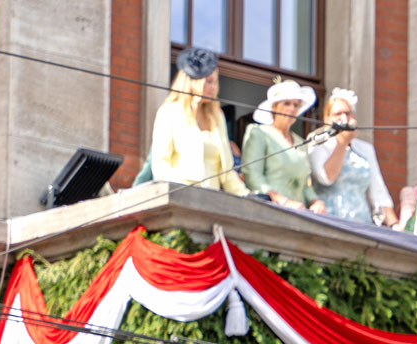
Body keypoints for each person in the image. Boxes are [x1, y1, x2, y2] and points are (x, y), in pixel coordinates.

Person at [147, 48, 248, 196]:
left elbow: (226, 173)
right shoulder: (169, 112)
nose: (213, 87)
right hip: (180, 198)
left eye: (215, 81)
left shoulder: (217, 117)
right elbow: (160, 164)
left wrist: (247, 195)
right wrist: (180, 190)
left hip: (212, 201)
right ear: (193, 82)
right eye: (209, 82)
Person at [309, 88, 395, 225]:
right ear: (327, 119)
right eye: (338, 114)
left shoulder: (366, 149)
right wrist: (342, 142)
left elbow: (378, 192)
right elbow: (326, 178)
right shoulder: (319, 144)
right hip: (329, 221)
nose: (344, 119)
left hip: (361, 223)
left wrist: (394, 224)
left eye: (348, 114)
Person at [241, 79, 325, 212]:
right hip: (268, 210)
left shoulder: (301, 142)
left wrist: (316, 201)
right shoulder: (259, 133)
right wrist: (281, 200)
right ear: (274, 107)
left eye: (296, 105)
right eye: (287, 103)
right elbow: (252, 174)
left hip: (299, 213)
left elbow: (304, 186)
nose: (292, 108)